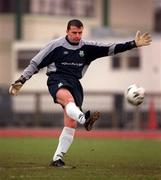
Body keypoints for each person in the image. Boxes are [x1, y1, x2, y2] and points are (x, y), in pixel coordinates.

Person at [9, 19, 152, 168]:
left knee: (71, 122)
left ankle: (57, 159)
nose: (77, 36)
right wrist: (21, 80)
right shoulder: (55, 46)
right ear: (67, 32)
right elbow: (35, 63)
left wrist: (133, 44)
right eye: (74, 33)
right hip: (56, 78)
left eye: (80, 33)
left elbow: (111, 48)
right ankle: (85, 119)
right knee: (68, 99)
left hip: (75, 83)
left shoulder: (87, 47)